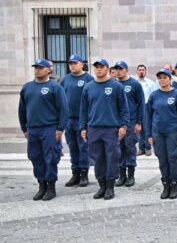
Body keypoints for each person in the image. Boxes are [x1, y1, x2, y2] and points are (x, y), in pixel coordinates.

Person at [79, 59, 129, 200]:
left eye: (102, 67)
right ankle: (102, 185)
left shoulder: (116, 86)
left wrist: (124, 126)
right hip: (94, 128)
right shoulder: (88, 87)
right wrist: (83, 127)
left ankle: (110, 187)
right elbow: (83, 109)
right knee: (98, 158)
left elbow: (124, 108)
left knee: (112, 157)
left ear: (107, 69)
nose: (99, 69)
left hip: (111, 129)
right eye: (96, 67)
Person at [19, 59, 68, 201]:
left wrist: (60, 128)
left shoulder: (55, 87)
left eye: (41, 67)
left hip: (50, 128)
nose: (37, 70)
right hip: (33, 129)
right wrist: (24, 128)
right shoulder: (27, 87)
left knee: (50, 157)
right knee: (35, 157)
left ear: (49, 70)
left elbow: (63, 109)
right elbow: (22, 109)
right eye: (36, 67)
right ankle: (41, 185)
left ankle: (51, 186)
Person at [146, 68, 177, 199]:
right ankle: (165, 185)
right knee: (162, 159)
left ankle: (174, 185)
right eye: (160, 78)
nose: (162, 80)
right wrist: (149, 135)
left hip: (172, 133)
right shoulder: (154, 95)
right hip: (158, 133)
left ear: (170, 79)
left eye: (165, 77)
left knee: (172, 159)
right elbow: (148, 116)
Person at [59, 54, 94, 187]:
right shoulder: (65, 79)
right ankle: (75, 173)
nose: (72, 65)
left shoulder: (88, 79)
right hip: (69, 120)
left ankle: (84, 173)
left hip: (83, 120)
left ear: (81, 64)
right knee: (72, 147)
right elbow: (60, 99)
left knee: (83, 147)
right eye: (70, 63)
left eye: (75, 63)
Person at [113, 61, 144, 188]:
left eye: (121, 69)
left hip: (131, 121)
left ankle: (131, 175)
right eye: (116, 69)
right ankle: (122, 175)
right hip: (116, 121)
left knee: (129, 147)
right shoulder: (113, 84)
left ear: (126, 70)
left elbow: (141, 103)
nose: (118, 71)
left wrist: (139, 122)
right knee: (118, 149)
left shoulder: (134, 84)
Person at [136, 64, 157, 155]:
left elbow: (154, 95)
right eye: (140, 70)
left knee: (146, 127)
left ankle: (148, 148)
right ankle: (141, 148)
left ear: (146, 71)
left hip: (147, 106)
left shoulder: (151, 83)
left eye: (143, 70)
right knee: (139, 128)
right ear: (137, 72)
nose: (141, 71)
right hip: (137, 106)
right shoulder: (135, 83)